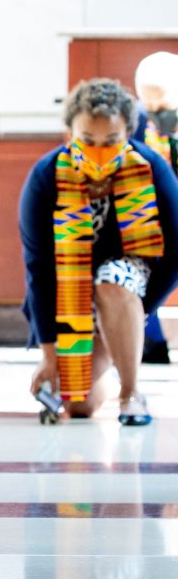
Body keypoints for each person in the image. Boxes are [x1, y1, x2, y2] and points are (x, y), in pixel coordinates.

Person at [20, 78, 178, 425]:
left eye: (112, 141)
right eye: (87, 141)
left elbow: (175, 254)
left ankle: (131, 394)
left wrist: (138, 310)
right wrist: (50, 355)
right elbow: (39, 270)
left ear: (128, 134)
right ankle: (106, 359)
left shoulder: (152, 169)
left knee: (113, 282)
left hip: (127, 283)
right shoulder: (46, 178)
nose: (98, 151)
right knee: (78, 407)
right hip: (69, 294)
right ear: (70, 134)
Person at [132, 51, 178, 364]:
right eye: (151, 106)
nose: (157, 113)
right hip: (147, 212)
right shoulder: (135, 122)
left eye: (163, 105)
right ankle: (151, 342)